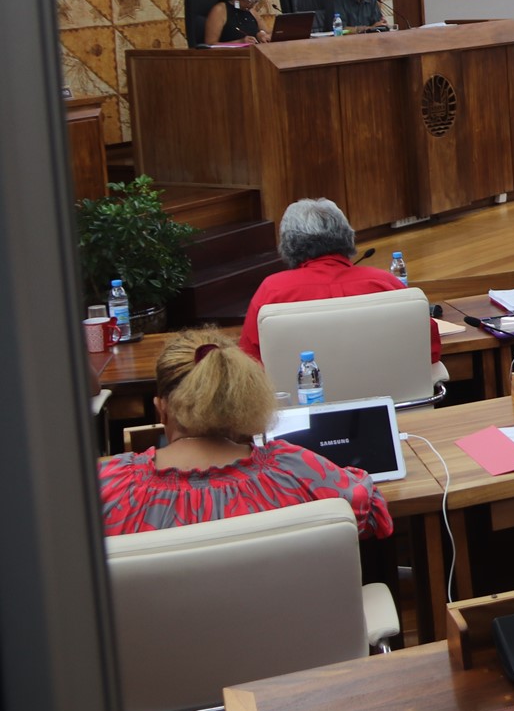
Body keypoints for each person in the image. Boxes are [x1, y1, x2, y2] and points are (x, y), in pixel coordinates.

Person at [97, 333, 392, 539]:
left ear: (160, 411)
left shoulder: (105, 487)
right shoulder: (295, 471)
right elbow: (372, 513)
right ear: (244, 403)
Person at [240, 198, 438, 363]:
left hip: (302, 406)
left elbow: (250, 366)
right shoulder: (386, 284)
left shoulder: (272, 291)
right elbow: (430, 351)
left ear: (288, 244)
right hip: (396, 404)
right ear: (347, 236)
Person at [202, 0, 269, 46]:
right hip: (230, 55)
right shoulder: (220, 10)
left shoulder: (251, 11)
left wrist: (262, 35)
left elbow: (266, 32)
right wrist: (240, 42)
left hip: (253, 53)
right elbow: (210, 44)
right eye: (250, 1)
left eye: (256, 1)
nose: (252, 5)